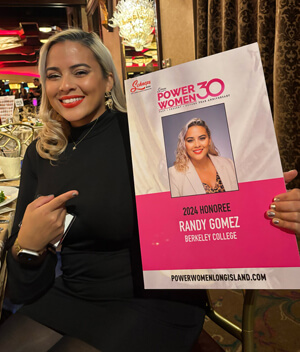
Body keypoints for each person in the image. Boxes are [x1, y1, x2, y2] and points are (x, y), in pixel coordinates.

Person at [0, 28, 299, 352]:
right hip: (74, 291)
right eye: (53, 75)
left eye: (80, 72)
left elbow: (206, 202)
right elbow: (23, 290)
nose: (66, 85)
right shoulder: (40, 152)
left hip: (158, 298)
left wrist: (260, 200)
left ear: (109, 80)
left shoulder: (146, 133)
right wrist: (25, 247)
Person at [169, 118, 238, 197]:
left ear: (209, 140)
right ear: (184, 144)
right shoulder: (174, 174)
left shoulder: (229, 164)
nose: (197, 145)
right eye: (190, 140)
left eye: (202, 138)